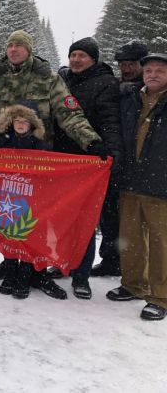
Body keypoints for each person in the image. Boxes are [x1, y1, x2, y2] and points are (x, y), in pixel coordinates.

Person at [0, 30, 106, 300]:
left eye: (19, 45)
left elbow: (69, 114)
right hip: (5, 161)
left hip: (38, 162)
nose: (14, 49)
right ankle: (10, 262)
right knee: (7, 215)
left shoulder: (48, 79)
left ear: (28, 49)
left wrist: (91, 142)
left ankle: (36, 268)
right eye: (10, 45)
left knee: (36, 218)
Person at [53, 37, 122, 298]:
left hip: (87, 162)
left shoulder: (105, 83)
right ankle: (61, 263)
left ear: (94, 59)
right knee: (61, 219)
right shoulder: (63, 81)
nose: (76, 60)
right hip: (60, 161)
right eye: (73, 55)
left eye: (82, 55)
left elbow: (110, 121)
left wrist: (110, 153)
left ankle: (81, 275)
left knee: (85, 221)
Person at [107, 53, 167, 321]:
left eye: (159, 71)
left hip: (161, 182)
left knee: (160, 242)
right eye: (149, 70)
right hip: (130, 178)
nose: (152, 74)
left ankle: (159, 296)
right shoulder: (132, 98)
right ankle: (133, 285)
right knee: (129, 237)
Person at [91, 40, 150, 276]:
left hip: (140, 164)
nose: (127, 69)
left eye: (132, 64)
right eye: (123, 64)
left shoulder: (148, 92)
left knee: (135, 221)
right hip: (115, 160)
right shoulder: (116, 88)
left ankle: (133, 269)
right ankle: (110, 260)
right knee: (110, 215)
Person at [0, 101, 50, 299]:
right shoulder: (2, 142)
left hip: (31, 200)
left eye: (25, 121)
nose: (20, 124)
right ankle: (9, 275)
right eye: (16, 120)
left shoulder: (41, 145)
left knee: (28, 238)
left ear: (32, 124)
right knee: (8, 237)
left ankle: (24, 277)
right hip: (7, 197)